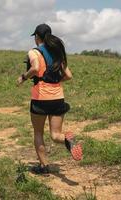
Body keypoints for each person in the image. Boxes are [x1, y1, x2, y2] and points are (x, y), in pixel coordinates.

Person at [17, 23, 83, 174]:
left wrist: (23, 77)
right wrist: (55, 81)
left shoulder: (34, 52)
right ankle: (67, 140)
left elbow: (34, 68)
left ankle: (44, 167)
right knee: (55, 135)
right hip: (58, 98)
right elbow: (69, 76)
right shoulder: (56, 53)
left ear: (37, 37)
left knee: (38, 133)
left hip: (40, 99)